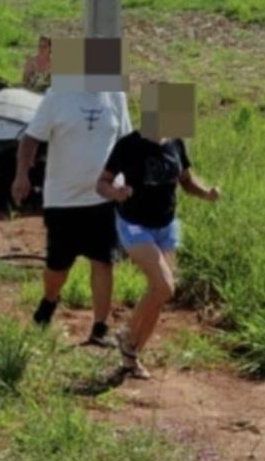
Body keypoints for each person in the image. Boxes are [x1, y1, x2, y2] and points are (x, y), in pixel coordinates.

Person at [12, 89, 132, 347]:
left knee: (103, 261)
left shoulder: (116, 96)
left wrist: (130, 184)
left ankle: (100, 327)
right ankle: (50, 300)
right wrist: (22, 175)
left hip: (104, 197)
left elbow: (126, 142)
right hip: (63, 199)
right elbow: (30, 138)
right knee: (58, 267)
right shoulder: (58, 95)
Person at [96, 131, 220, 378]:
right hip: (134, 224)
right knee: (164, 286)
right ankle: (127, 335)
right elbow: (102, 183)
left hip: (166, 226)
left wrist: (207, 193)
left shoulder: (176, 142)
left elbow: (186, 180)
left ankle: (131, 357)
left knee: (158, 292)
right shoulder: (128, 145)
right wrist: (115, 193)